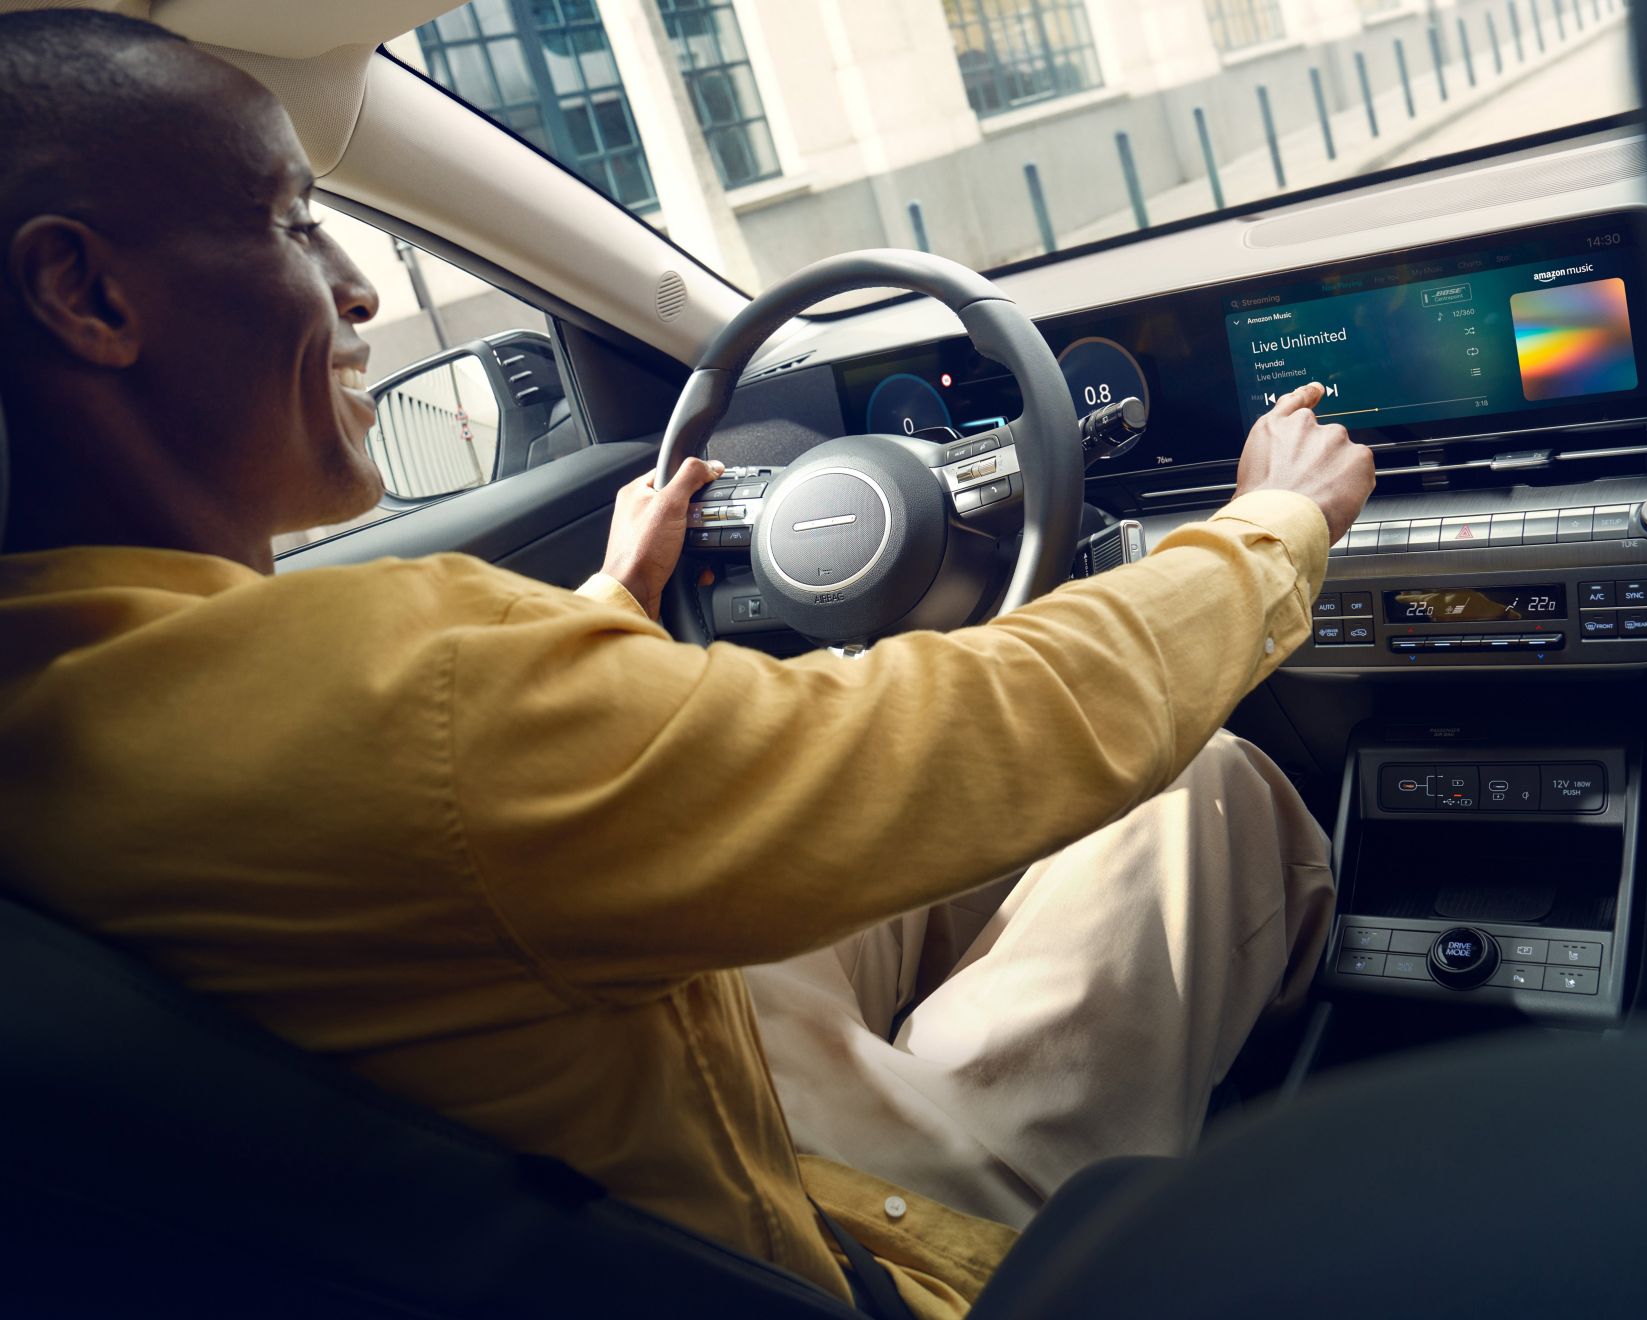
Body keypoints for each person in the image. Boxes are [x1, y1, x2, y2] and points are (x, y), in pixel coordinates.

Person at [0, 10, 1374, 1318]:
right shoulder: (416, 696)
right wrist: (1270, 531)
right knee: (1190, 785)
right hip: (807, 1267)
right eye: (299, 224)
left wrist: (601, 608)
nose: (358, 287)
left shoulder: (92, 699)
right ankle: (1341, 1056)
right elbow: (985, 724)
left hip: (527, 1193)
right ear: (84, 292)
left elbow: (442, 793)